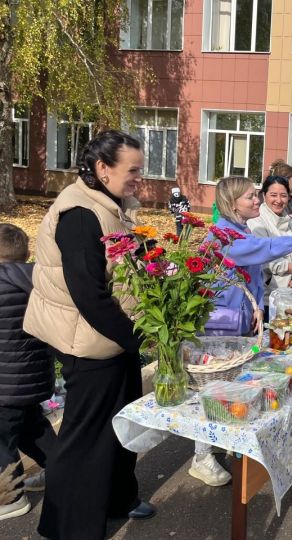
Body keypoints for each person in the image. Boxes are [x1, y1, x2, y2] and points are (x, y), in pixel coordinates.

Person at [23, 130, 156, 539]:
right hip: (90, 343)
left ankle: (118, 498)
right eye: (132, 170)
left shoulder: (109, 206)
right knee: (85, 440)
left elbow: (122, 270)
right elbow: (90, 297)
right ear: (103, 168)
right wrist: (139, 338)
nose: (139, 178)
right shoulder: (79, 214)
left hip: (113, 338)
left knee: (121, 426)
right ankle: (68, 527)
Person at [192, 176, 292, 485]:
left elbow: (250, 277)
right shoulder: (228, 237)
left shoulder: (239, 229)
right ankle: (202, 456)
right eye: (251, 197)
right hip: (221, 324)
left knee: (232, 384)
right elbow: (266, 248)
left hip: (239, 319)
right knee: (216, 386)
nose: (257, 201)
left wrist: (257, 307)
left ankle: (224, 439)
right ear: (233, 204)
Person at [0, 224, 56, 521]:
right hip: (33, 379)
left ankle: (9, 497)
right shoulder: (38, 281)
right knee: (31, 429)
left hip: (4, 385)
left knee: (1, 440)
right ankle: (63, 470)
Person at [247, 176, 292, 308]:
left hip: (290, 292)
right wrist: (291, 268)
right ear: (264, 195)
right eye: (273, 195)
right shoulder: (257, 221)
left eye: (283, 195)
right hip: (269, 296)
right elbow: (264, 257)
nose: (278, 200)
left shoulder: (287, 219)